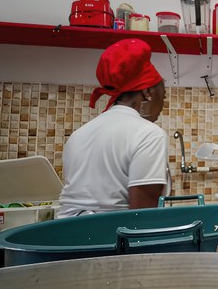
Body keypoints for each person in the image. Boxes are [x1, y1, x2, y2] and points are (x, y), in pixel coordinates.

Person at [57, 39, 169, 218]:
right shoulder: (149, 134)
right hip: (110, 240)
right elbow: (143, 216)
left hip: (67, 237)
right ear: (148, 93)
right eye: (162, 97)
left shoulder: (78, 135)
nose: (162, 106)